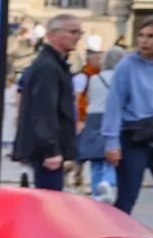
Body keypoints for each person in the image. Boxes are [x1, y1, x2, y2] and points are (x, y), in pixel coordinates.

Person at [13, 14, 81, 191]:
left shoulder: (54, 64)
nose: (78, 36)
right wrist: (51, 150)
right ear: (53, 35)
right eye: (73, 31)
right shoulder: (47, 67)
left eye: (79, 32)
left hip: (49, 148)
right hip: (46, 152)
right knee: (49, 202)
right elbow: (43, 110)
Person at [103, 17, 153, 214]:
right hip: (133, 137)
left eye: (150, 36)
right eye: (141, 36)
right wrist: (112, 143)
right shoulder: (127, 66)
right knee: (127, 196)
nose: (144, 41)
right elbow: (114, 105)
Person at [76, 46, 124, 203]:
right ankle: (108, 181)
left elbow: (89, 97)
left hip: (93, 117)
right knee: (112, 154)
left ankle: (97, 191)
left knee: (95, 157)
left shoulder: (95, 79)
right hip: (113, 116)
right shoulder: (122, 77)